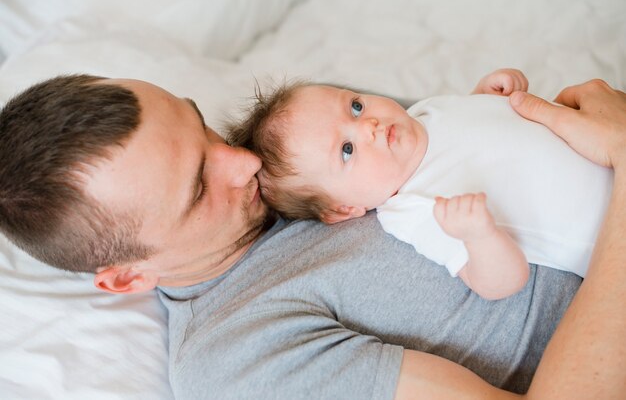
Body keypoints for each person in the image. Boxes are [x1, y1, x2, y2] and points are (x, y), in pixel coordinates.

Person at [0, 74, 624, 399]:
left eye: (202, 127)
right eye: (197, 188)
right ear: (128, 277)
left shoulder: (286, 140)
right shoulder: (240, 359)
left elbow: (455, 126)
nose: (243, 163)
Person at [227, 69, 611, 300]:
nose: (368, 126)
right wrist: (480, 235)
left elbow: (471, 134)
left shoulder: (421, 113)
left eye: (355, 106)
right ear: (343, 208)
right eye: (347, 150)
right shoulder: (413, 209)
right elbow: (500, 283)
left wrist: (484, 96)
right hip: (607, 228)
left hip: (605, 145)